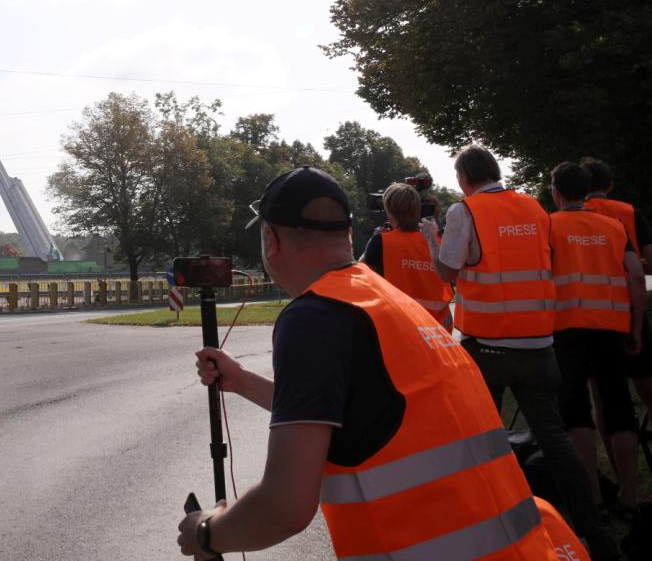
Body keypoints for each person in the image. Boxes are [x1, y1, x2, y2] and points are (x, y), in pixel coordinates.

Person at [177, 166, 557, 559]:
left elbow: (284, 507)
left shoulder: (314, 316)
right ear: (348, 233)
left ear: (270, 239)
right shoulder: (380, 299)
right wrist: (241, 380)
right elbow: (358, 414)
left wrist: (205, 532)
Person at [420, 145, 618, 560]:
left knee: (483, 441)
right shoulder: (534, 208)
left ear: (465, 177)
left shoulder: (465, 211)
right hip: (540, 344)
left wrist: (430, 237)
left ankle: (493, 533)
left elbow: (446, 271)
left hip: (488, 345)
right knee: (555, 438)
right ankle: (598, 536)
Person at [549, 162, 643, 513]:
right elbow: (635, 275)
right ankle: (629, 496)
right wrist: (636, 328)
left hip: (566, 327)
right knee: (620, 407)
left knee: (575, 412)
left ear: (556, 192)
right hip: (612, 326)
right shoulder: (615, 227)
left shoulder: (549, 226)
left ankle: (592, 497)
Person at [581, 157, 652, 421]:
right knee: (644, 376)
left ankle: (613, 450)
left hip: (589, 311)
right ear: (609, 185)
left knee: (601, 391)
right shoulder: (629, 212)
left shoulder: (572, 217)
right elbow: (649, 263)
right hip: (630, 303)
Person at [360, 182, 454, 328]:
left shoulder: (382, 242)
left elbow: (359, 275)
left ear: (389, 211)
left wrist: (374, 240)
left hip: (402, 329)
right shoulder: (436, 241)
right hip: (439, 331)